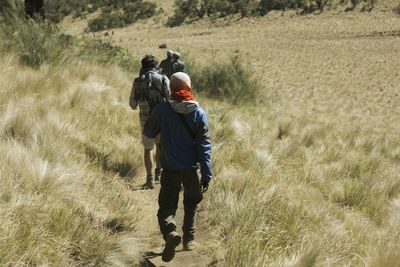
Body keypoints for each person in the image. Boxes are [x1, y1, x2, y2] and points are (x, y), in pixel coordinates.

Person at [143, 72, 212, 262]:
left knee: (166, 207)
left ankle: (170, 232)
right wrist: (206, 174)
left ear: (171, 89)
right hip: (192, 170)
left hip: (170, 169)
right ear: (189, 88)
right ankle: (188, 240)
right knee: (191, 204)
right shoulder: (199, 113)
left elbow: (148, 132)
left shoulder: (162, 110)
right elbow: (204, 146)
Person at [129, 55, 170, 189]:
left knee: (148, 149)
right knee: (160, 146)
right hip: (162, 119)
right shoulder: (163, 78)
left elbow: (132, 104)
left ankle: (149, 179)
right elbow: (170, 99)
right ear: (156, 66)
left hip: (146, 120)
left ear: (143, 66)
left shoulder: (137, 81)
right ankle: (159, 171)